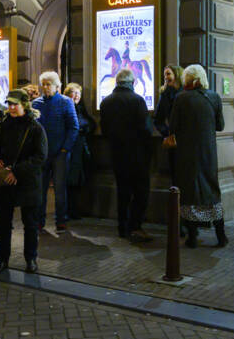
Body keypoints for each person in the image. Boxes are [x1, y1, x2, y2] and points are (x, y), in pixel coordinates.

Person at [169, 64, 226, 248]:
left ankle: (192, 237)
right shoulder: (214, 97)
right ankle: (221, 235)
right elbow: (220, 125)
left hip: (187, 152)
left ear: (188, 79)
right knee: (211, 190)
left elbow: (173, 127)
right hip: (208, 152)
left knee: (190, 192)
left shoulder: (181, 98)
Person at [0, 89, 47, 274]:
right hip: (7, 180)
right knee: (4, 222)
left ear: (24, 104)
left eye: (15, 104)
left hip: (27, 181)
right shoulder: (5, 125)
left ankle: (31, 259)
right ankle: (2, 259)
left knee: (30, 223)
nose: (12, 107)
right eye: (10, 104)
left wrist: (16, 171)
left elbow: (40, 157)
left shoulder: (35, 128)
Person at [100, 70, 154, 241]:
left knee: (122, 191)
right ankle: (135, 225)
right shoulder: (137, 100)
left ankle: (122, 227)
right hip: (137, 154)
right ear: (132, 82)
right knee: (140, 191)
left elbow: (105, 129)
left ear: (117, 82)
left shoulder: (106, 102)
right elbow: (146, 129)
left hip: (117, 153)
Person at [32, 71, 78, 232]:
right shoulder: (36, 103)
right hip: (42, 154)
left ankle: (61, 220)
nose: (45, 87)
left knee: (59, 189)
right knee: (40, 189)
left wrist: (65, 148)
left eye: (48, 84)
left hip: (60, 153)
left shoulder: (66, 102)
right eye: (43, 84)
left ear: (57, 86)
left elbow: (73, 127)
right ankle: (39, 221)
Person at [63, 83, 95, 220]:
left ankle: (75, 209)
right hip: (71, 148)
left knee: (78, 179)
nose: (76, 96)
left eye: (78, 93)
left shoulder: (80, 108)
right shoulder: (66, 108)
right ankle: (70, 210)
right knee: (71, 180)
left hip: (81, 147)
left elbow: (91, 123)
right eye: (73, 93)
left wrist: (86, 129)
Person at [153, 64, 183, 184]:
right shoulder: (165, 94)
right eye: (165, 74)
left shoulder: (186, 91)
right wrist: (168, 133)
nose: (166, 77)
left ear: (177, 75)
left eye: (168, 74)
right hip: (175, 140)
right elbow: (158, 119)